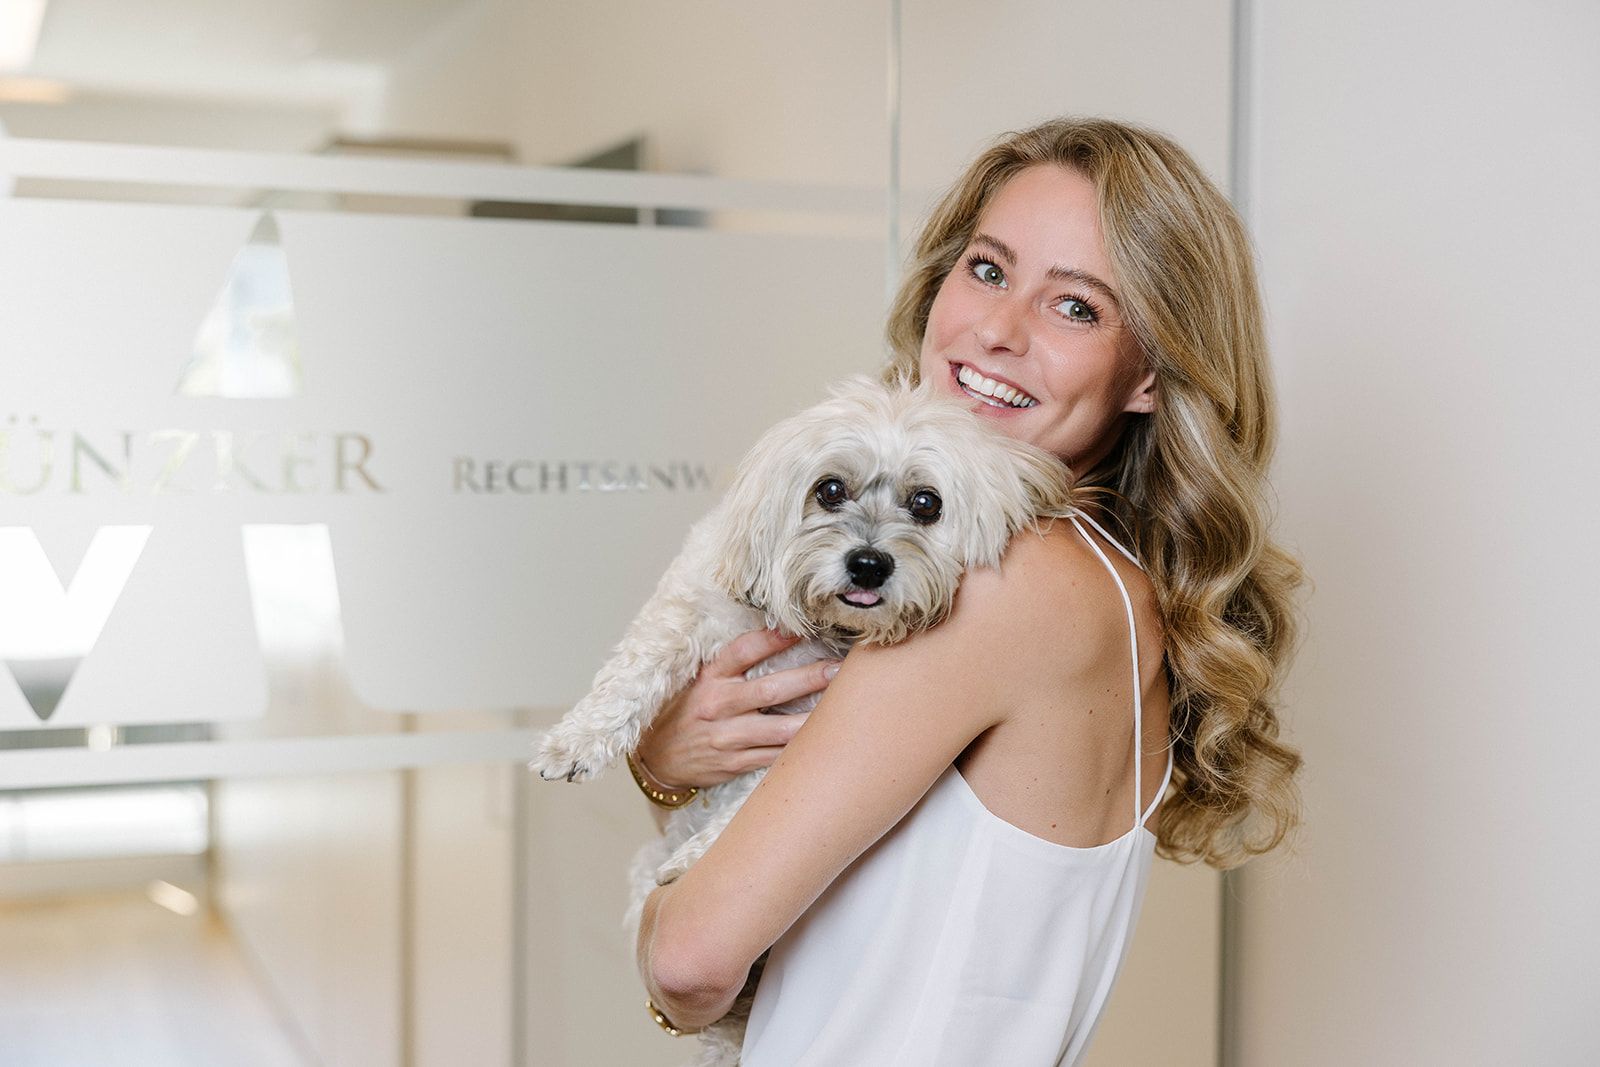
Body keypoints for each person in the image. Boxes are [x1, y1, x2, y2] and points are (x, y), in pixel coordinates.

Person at [630, 117, 1304, 1065]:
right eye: (988, 269)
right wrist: (672, 762)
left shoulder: (1004, 584)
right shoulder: (1109, 586)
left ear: (1150, 374)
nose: (997, 329)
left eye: (1076, 307)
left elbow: (694, 961)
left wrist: (657, 914)